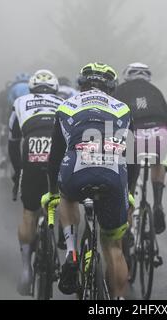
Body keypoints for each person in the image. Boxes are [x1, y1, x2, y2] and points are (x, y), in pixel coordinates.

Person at [42, 62, 131, 299]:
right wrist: (127, 190)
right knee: (114, 247)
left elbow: (54, 159)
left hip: (76, 169)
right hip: (113, 173)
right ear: (112, 88)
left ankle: (71, 253)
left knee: (66, 196)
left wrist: (52, 191)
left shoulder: (67, 105)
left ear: (81, 85)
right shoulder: (123, 108)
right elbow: (129, 156)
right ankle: (116, 301)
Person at [8, 69, 63, 295]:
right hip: (57, 155)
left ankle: (24, 270)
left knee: (29, 212)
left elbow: (13, 143)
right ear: (55, 89)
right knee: (64, 203)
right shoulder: (63, 102)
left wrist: (17, 172)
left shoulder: (20, 102)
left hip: (31, 153)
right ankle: (65, 244)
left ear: (31, 89)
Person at [114, 62, 167, 234]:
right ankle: (158, 203)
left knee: (130, 168)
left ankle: (128, 218)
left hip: (134, 132)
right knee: (158, 161)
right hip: (159, 131)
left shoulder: (120, 90)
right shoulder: (156, 91)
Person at [0, 81, 12, 169]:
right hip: (16, 122)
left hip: (4, 122)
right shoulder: (19, 94)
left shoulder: (2, 94)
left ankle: (4, 158)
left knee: (2, 140)